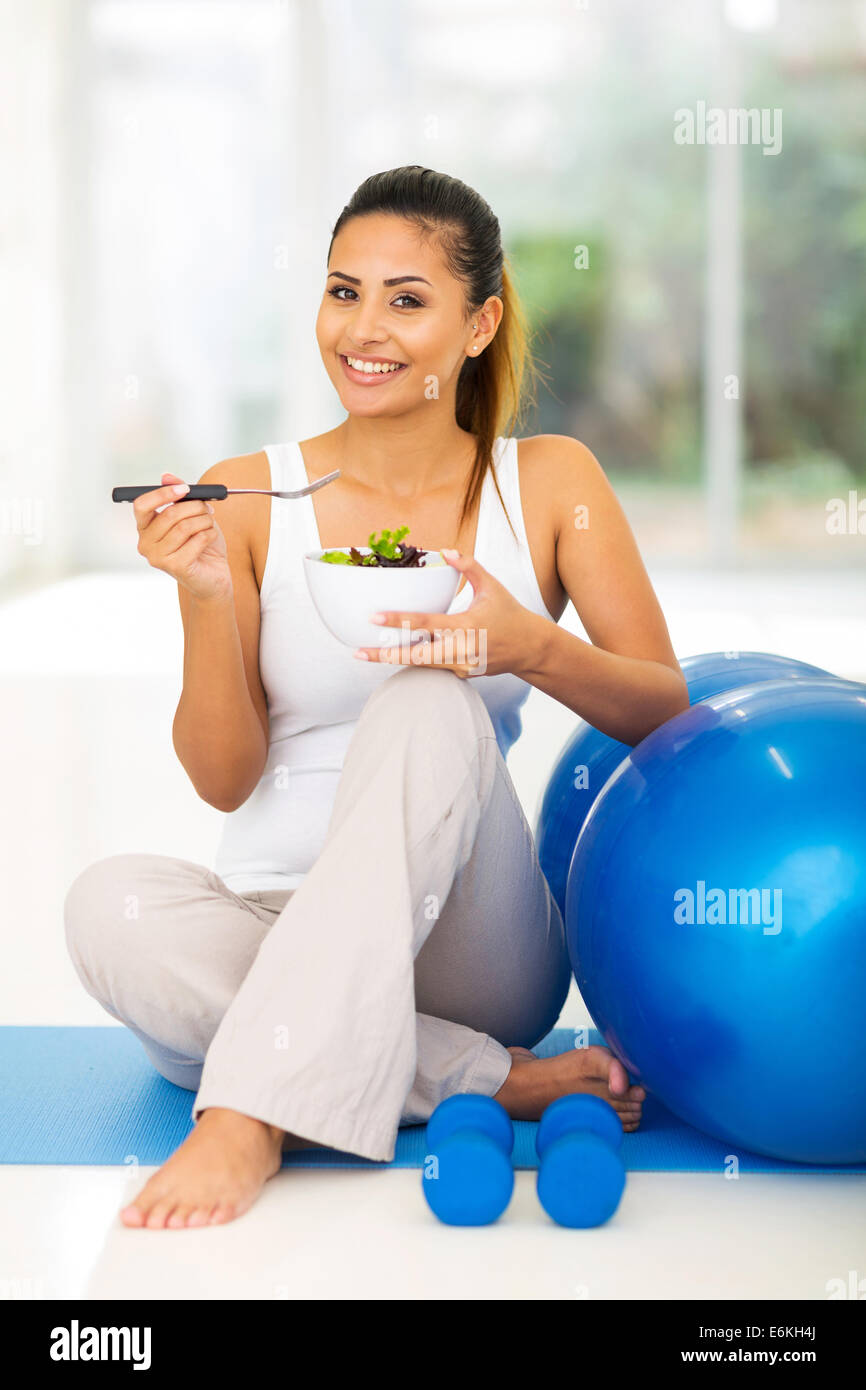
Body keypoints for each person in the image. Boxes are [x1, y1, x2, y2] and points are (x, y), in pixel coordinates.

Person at [64, 165, 688, 1231]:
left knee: (426, 699)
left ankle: (248, 1112)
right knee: (105, 909)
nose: (365, 328)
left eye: (408, 299)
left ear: (479, 322)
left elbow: (663, 712)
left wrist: (524, 645)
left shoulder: (547, 482)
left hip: (472, 942)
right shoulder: (248, 493)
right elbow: (223, 781)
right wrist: (212, 595)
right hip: (273, 910)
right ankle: (491, 1078)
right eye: (343, 290)